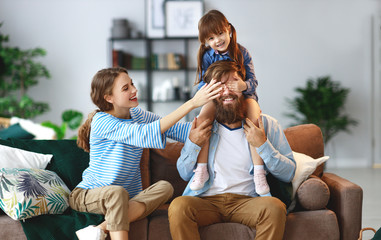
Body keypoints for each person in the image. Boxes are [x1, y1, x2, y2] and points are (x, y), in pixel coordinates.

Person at [69, 67, 221, 240]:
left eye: (132, 84)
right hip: (89, 194)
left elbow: (177, 130)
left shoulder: (136, 114)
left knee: (165, 187)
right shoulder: (101, 121)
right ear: (109, 97)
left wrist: (218, 125)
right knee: (116, 193)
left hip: (125, 198)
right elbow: (145, 134)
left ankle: (99, 230)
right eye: (125, 88)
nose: (134, 90)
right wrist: (192, 103)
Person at [168, 60, 296, 240]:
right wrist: (193, 143)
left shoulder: (266, 125)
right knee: (179, 206)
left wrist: (263, 145)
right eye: (220, 87)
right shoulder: (201, 125)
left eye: (232, 84)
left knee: (275, 207)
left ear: (243, 87)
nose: (227, 92)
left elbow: (289, 173)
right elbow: (184, 173)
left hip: (248, 201)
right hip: (206, 201)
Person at [190, 10, 269, 196]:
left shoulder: (242, 52)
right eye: (211, 38)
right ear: (206, 42)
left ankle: (259, 172)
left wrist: (242, 85)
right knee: (202, 118)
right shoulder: (208, 56)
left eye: (220, 33)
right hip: (217, 96)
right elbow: (202, 83)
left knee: (254, 118)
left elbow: (253, 83)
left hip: (244, 96)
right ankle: (201, 168)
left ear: (229, 30)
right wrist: (209, 88)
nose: (217, 40)